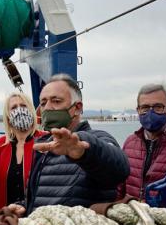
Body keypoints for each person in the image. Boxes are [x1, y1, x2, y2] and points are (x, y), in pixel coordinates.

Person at [10, 73, 129, 216]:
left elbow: (120, 169)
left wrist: (84, 152)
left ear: (77, 108)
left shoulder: (96, 139)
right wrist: (24, 207)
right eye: (43, 103)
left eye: (56, 101)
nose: (48, 107)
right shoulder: (43, 145)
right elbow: (40, 194)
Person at [0, 92, 45, 213]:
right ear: (8, 116)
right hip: (6, 218)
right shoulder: (1, 144)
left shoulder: (45, 140)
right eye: (14, 107)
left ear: (31, 110)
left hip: (36, 216)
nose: (19, 110)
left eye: (23, 106)